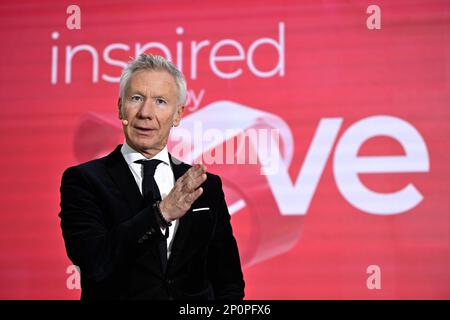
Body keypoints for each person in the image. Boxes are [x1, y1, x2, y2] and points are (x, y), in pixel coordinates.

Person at [58, 54, 245, 300]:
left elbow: (228, 281)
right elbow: (94, 262)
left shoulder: (205, 186)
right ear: (120, 107)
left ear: (177, 115)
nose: (145, 113)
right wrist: (161, 214)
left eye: (160, 101)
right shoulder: (84, 181)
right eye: (136, 98)